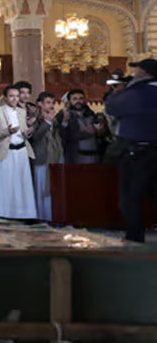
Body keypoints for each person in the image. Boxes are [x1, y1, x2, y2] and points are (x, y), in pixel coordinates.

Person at [105, 58, 157, 242]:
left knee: (130, 197)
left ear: (144, 72)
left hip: (136, 153)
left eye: (136, 69)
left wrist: (119, 91)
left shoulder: (139, 92)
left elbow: (112, 107)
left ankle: (135, 237)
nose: (133, 73)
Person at [0, 84, 36, 219]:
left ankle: (24, 213)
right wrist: (7, 131)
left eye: (17, 96)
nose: (15, 99)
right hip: (6, 151)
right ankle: (3, 212)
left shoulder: (22, 111)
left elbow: (23, 130)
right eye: (11, 96)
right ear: (5, 97)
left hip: (21, 150)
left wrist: (28, 132)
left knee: (22, 183)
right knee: (5, 183)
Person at [28, 92, 62, 221]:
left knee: (52, 189)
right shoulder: (35, 119)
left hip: (53, 157)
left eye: (52, 103)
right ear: (40, 104)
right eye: (48, 103)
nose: (51, 106)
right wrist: (47, 122)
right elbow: (35, 137)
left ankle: (52, 216)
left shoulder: (55, 119)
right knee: (41, 189)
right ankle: (41, 217)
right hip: (41, 158)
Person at [57, 89, 105, 164]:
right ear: (69, 101)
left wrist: (99, 130)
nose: (78, 101)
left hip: (93, 154)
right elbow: (63, 136)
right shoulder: (64, 115)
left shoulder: (90, 113)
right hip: (75, 156)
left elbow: (99, 130)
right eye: (75, 99)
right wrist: (86, 133)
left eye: (81, 98)